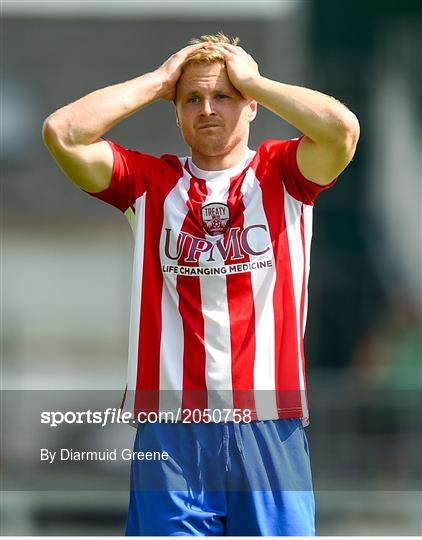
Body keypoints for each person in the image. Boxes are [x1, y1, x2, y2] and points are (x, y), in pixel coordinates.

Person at [43, 32, 359, 536]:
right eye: (192, 99)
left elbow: (342, 130)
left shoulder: (284, 174)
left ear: (251, 105)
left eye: (224, 96)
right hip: (171, 434)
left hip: (267, 424)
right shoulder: (149, 184)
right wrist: (159, 81)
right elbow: (63, 132)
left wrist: (255, 80)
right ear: (176, 110)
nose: (207, 109)